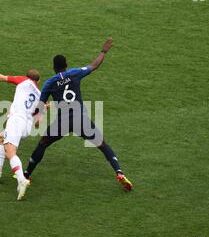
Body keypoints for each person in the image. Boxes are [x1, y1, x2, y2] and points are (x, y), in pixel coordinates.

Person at [24, 38, 133, 192]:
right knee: (102, 144)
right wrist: (103, 51)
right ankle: (119, 172)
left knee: (43, 143)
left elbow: (40, 106)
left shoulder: (49, 83)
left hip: (62, 122)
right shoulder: (75, 73)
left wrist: (37, 117)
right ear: (66, 66)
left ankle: (26, 175)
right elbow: (94, 65)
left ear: (54, 68)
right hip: (80, 120)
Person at [0, 69, 41, 200]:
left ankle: (22, 180)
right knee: (2, 137)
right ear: (38, 82)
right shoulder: (40, 95)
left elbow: (1, 78)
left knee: (10, 152)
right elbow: (38, 123)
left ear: (27, 77)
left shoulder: (23, 80)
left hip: (16, 120)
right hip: (26, 127)